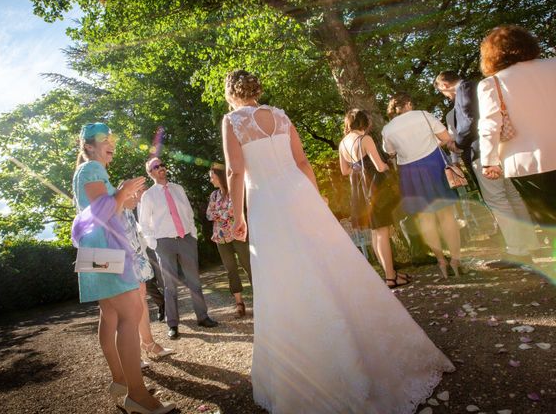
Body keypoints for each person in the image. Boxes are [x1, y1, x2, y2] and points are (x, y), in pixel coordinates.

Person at [222, 70, 454, 414]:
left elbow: (235, 172)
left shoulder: (233, 121)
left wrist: (237, 215)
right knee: (332, 264)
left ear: (230, 93)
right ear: (257, 89)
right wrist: (315, 200)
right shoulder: (281, 116)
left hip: (268, 203)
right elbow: (302, 162)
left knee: (286, 274)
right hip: (300, 195)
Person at [71, 122, 174, 414]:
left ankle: (121, 380)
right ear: (89, 146)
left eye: (111, 137)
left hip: (98, 251)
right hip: (104, 250)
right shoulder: (91, 169)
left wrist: (124, 196)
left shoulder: (92, 170)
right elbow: (99, 213)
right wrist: (124, 192)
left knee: (113, 313)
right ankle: (137, 395)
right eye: (104, 138)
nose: (111, 142)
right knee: (131, 313)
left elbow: (104, 209)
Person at [435, 70, 541, 264]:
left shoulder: (465, 89)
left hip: (482, 153)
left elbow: (469, 122)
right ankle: (530, 243)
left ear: (444, 85)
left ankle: (518, 251)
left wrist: (457, 144)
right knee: (511, 196)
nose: (447, 97)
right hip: (499, 149)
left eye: (444, 93)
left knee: (497, 200)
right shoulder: (478, 87)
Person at [477, 25, 556, 244]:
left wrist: (489, 162)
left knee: (550, 221)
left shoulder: (492, 84)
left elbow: (490, 126)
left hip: (528, 161)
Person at [381, 93, 462, 279]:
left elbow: (390, 152)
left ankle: (441, 262)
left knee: (426, 219)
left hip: (409, 171)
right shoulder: (423, 115)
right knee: (446, 215)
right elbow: (446, 137)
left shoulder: (387, 129)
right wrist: (433, 142)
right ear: (408, 104)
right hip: (433, 164)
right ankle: (456, 261)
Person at [138, 157, 219, 340]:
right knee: (170, 286)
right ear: (150, 173)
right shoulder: (148, 196)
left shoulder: (178, 189)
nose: (161, 168)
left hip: (186, 240)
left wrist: (193, 235)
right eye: (155, 167)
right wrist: (154, 244)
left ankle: (203, 317)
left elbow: (189, 213)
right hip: (163, 243)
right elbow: (144, 224)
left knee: (194, 282)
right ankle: (172, 324)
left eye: (162, 165)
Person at [338, 109, 410, 288]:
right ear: (365, 122)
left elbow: (344, 171)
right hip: (374, 189)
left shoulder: (342, 144)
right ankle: (390, 277)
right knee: (383, 232)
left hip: (359, 192)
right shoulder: (365, 139)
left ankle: (390, 274)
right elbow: (379, 167)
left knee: (375, 233)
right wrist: (389, 165)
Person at [121, 192, 175, 360]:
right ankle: (132, 356)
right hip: (121, 264)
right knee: (127, 308)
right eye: (134, 196)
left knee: (141, 300)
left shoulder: (129, 212)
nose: (138, 200)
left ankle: (148, 342)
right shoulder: (113, 212)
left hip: (138, 262)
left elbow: (138, 237)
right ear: (123, 194)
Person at [206, 165, 253, 317]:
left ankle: (262, 300)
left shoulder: (234, 191)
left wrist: (219, 213)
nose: (210, 179)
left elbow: (233, 211)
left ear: (219, 176)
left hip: (238, 234)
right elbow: (208, 214)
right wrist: (223, 213)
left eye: (212, 176)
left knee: (248, 266)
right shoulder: (213, 195)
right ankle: (239, 304)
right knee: (231, 270)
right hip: (220, 238)